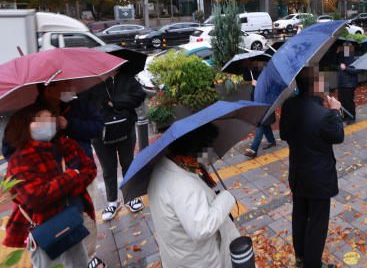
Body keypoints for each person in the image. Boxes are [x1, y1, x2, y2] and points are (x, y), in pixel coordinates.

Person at [1, 81, 104, 263]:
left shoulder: (72, 117)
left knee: (83, 240)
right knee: (52, 259)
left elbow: (90, 164)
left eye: (50, 121)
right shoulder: (22, 151)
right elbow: (35, 194)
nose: (69, 89)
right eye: (64, 85)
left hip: (77, 199)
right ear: (49, 90)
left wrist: (70, 124)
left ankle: (90, 260)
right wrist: (68, 177)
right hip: (46, 220)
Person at [147, 123, 241, 268]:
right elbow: (202, 228)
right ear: (197, 148)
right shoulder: (182, 185)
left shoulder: (168, 165)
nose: (212, 151)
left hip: (177, 256)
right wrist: (226, 198)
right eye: (209, 146)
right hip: (198, 261)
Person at [279, 65, 344, 268]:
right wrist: (335, 112)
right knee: (317, 221)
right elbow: (338, 136)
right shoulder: (323, 115)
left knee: (299, 213)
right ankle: (312, 264)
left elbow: (284, 135)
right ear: (316, 86)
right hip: (319, 178)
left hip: (298, 173)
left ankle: (301, 257)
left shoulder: (289, 106)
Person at [78, 69, 147, 221]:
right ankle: (112, 202)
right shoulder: (90, 81)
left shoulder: (126, 77)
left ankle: (130, 197)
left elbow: (139, 97)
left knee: (128, 164)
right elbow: (82, 104)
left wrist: (115, 101)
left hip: (125, 128)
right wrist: (101, 105)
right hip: (100, 133)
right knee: (108, 168)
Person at [243, 60, 277, 158]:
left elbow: (271, 84)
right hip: (256, 99)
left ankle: (253, 150)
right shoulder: (251, 67)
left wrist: (258, 84)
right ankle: (271, 140)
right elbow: (246, 78)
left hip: (265, 99)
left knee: (260, 124)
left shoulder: (267, 67)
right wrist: (247, 66)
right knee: (264, 123)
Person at [334, 41, 360, 125]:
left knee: (349, 101)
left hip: (350, 83)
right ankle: (344, 116)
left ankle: (351, 117)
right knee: (341, 101)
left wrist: (345, 68)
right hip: (341, 82)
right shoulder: (341, 55)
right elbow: (334, 63)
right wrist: (337, 53)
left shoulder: (355, 56)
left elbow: (357, 70)